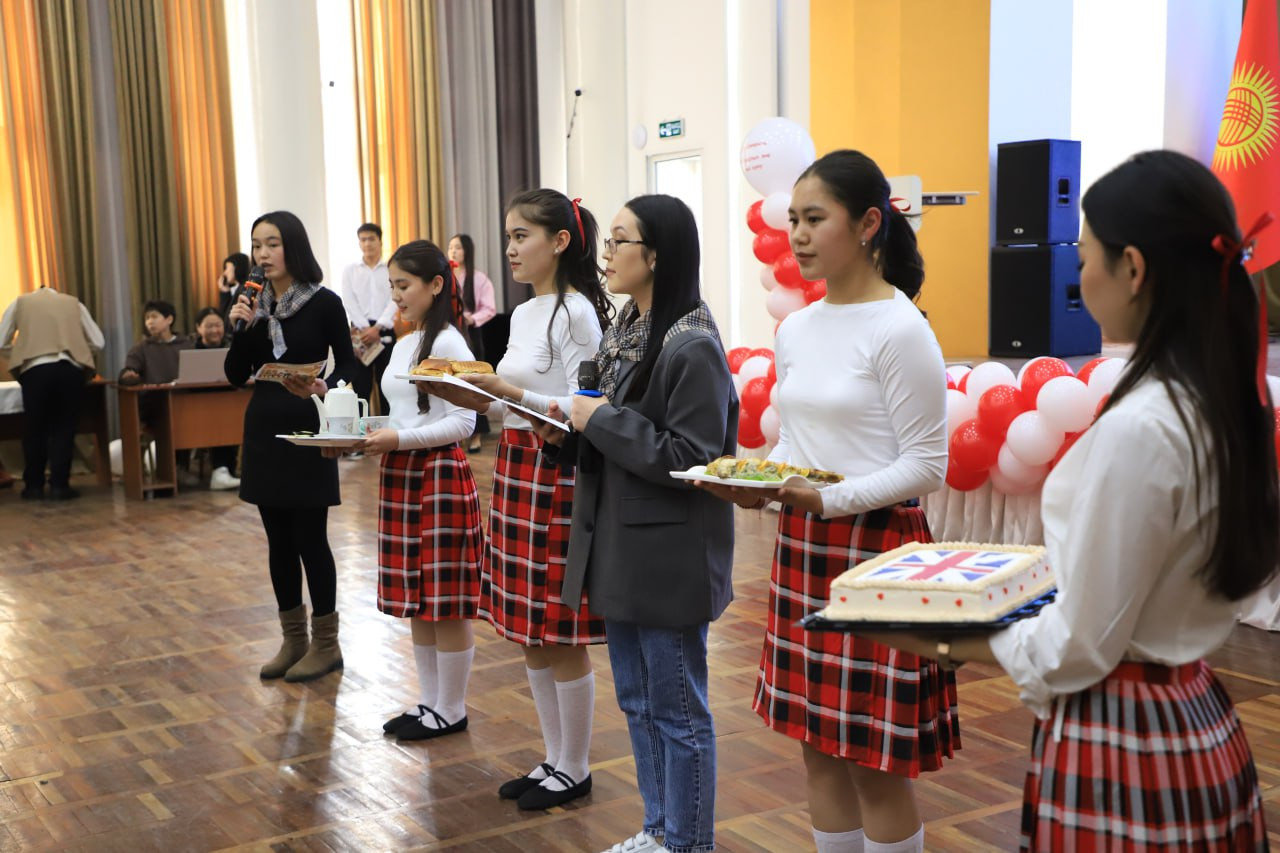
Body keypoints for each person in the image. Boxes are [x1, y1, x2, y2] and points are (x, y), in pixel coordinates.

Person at [867, 150, 1275, 850]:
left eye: (1085, 257)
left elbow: (1079, 645)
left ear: (1133, 269)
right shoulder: (1215, 397)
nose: (1078, 275)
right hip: (1193, 715)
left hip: (1126, 739)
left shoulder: (1142, 427)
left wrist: (944, 637)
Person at [699, 150, 954, 853]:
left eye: (815, 219)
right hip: (807, 545)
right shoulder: (797, 328)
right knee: (817, 746)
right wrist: (757, 483)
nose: (799, 236)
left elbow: (927, 465)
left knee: (875, 764)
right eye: (793, 221)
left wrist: (826, 499)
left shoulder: (900, 328)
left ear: (868, 224)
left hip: (881, 553)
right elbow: (798, 443)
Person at [532, 194, 737, 853]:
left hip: (668, 556)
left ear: (657, 255)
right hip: (620, 546)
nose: (607, 254)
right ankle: (658, 828)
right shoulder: (626, 326)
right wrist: (566, 433)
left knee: (678, 712)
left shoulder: (691, 344)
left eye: (620, 240)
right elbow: (611, 430)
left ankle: (689, 842)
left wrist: (600, 420)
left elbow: (693, 457)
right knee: (639, 702)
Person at [431, 189, 613, 811]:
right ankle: (554, 758)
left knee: (559, 629)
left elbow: (584, 410)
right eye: (507, 236)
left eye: (521, 236)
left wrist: (502, 391)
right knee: (530, 628)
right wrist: (471, 396)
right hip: (515, 466)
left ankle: (576, 767)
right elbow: (511, 403)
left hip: (557, 471)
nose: (509, 248)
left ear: (559, 242)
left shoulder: (576, 313)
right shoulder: (527, 311)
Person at [225, 210, 360, 683]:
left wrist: (327, 386)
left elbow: (349, 364)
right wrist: (240, 328)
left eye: (273, 244)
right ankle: (293, 640)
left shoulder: (324, 303)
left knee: (310, 538)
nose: (263, 254)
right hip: (264, 429)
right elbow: (235, 375)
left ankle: (326, 645)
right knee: (278, 542)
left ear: (293, 247)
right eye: (257, 245)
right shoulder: (253, 306)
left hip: (308, 429)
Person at [360, 240, 484, 742]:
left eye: (404, 285)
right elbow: (403, 413)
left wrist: (399, 440)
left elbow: (465, 423)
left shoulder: (450, 342)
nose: (396, 296)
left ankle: (451, 709)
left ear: (435, 285)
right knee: (416, 596)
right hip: (403, 474)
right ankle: (430, 703)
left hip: (438, 476)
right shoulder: (404, 343)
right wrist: (366, 432)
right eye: (392, 286)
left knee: (445, 600)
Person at [0, 285, 104, 500]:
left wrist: (22, 352)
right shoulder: (73, 303)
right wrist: (79, 351)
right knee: (64, 428)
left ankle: (33, 486)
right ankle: (60, 485)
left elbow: (1, 342)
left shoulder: (20, 303)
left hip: (35, 370)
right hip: (69, 370)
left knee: (34, 428)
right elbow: (98, 342)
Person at [447, 233, 497, 453]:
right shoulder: (446, 278)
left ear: (467, 251)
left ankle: (476, 432)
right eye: (451, 247)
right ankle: (455, 430)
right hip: (450, 332)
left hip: (471, 333)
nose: (453, 251)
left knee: (473, 381)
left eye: (457, 247)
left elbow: (489, 308)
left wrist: (471, 318)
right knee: (452, 381)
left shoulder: (479, 279)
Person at [340, 222, 395, 417]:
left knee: (387, 385)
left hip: (384, 330)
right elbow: (348, 300)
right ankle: (362, 431)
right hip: (359, 333)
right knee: (360, 386)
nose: (367, 243)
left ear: (380, 241)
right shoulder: (350, 270)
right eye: (363, 240)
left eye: (371, 239)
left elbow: (395, 299)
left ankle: (390, 430)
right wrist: (365, 328)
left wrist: (377, 327)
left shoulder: (391, 268)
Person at [192, 306, 240, 491]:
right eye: (209, 326)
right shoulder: (190, 348)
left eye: (218, 325)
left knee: (229, 415)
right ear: (198, 328)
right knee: (218, 417)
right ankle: (220, 470)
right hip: (198, 405)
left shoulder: (233, 345)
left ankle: (227, 470)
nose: (214, 330)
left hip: (229, 400)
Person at [118, 300, 193, 386]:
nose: (150, 322)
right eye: (147, 318)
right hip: (153, 393)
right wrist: (128, 376)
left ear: (169, 319)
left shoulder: (186, 345)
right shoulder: (141, 348)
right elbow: (130, 371)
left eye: (154, 317)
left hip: (183, 393)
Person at [217, 252, 251, 321]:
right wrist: (225, 292)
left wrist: (225, 294)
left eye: (226, 268)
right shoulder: (233, 290)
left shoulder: (245, 290)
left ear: (237, 267)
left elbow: (227, 318)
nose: (224, 273)